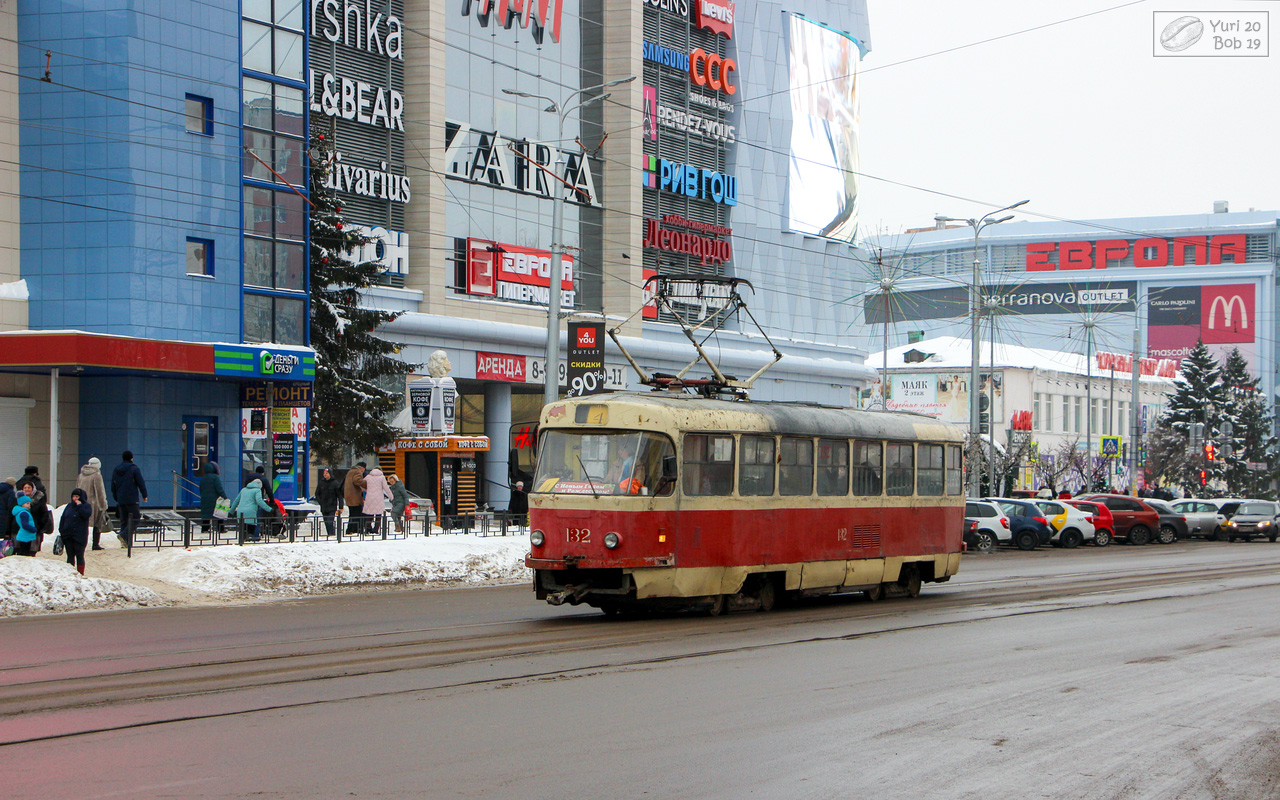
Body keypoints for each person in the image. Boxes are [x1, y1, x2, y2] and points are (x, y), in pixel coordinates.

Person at [111, 450, 148, 548]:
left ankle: (125, 543)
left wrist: (117, 497)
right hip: (132, 499)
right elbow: (140, 482)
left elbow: (113, 486)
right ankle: (123, 535)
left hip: (121, 499)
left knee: (124, 521)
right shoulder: (134, 469)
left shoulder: (116, 469)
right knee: (135, 519)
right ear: (131, 458)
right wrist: (144, 495)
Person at [77, 456, 111, 550]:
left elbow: (77, 489)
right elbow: (100, 491)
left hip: (82, 503)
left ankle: (81, 543)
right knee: (97, 524)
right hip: (94, 504)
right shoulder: (96, 475)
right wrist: (103, 505)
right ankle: (95, 544)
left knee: (84, 524)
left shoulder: (81, 475)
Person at [59, 487, 92, 575]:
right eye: (74, 496)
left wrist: (80, 506)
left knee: (79, 555)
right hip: (68, 535)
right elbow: (63, 518)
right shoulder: (69, 506)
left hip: (79, 536)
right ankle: (71, 573)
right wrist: (62, 530)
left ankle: (80, 573)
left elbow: (86, 515)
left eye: (77, 496)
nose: (75, 499)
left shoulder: (86, 506)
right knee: (70, 556)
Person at [199, 461, 228, 535]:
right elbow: (219, 489)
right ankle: (220, 529)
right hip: (215, 499)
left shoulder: (203, 478)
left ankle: (205, 529)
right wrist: (225, 497)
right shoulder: (215, 478)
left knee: (206, 514)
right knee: (219, 513)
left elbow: (200, 489)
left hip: (205, 499)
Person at [315, 467, 344, 538]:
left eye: (327, 473)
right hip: (324, 506)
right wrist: (320, 502)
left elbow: (340, 496)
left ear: (330, 474)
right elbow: (317, 494)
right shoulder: (321, 483)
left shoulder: (335, 483)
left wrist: (341, 507)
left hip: (332, 506)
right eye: (324, 473)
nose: (325, 475)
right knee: (326, 522)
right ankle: (330, 534)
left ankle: (332, 534)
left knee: (329, 521)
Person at [361, 468, 393, 534]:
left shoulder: (368, 477)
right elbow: (386, 488)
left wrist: (366, 490)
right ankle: (375, 529)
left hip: (369, 497)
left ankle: (368, 528)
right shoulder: (382, 477)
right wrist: (391, 496)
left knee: (369, 513)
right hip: (379, 497)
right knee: (378, 515)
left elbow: (361, 484)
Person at [343, 462, 367, 534]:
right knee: (357, 514)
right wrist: (366, 484)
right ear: (362, 468)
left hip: (349, 496)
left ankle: (349, 529)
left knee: (352, 514)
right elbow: (357, 481)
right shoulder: (357, 471)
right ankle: (354, 529)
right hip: (355, 497)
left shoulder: (350, 471)